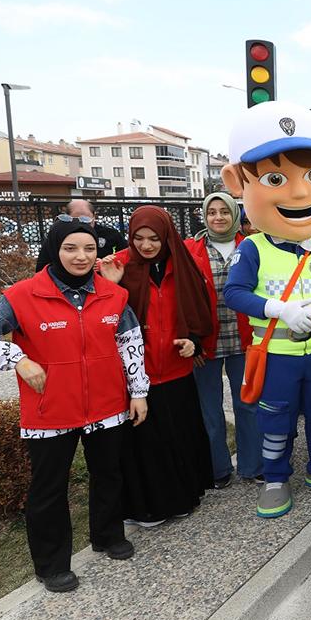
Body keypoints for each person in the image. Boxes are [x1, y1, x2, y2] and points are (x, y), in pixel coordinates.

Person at [0, 219, 148, 593]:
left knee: (109, 474)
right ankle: (52, 565)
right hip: (50, 411)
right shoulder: (22, 295)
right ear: (54, 250)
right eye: (70, 248)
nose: (81, 256)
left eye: (89, 249)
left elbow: (130, 343)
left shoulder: (113, 295)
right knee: (49, 488)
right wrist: (18, 359)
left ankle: (108, 535)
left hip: (107, 405)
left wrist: (138, 391)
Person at [220, 101, 311, 519]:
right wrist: (280, 309)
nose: (299, 193)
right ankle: (275, 478)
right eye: (275, 179)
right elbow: (234, 294)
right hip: (276, 353)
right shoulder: (253, 248)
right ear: (238, 182)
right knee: (276, 418)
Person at [100, 206, 215, 526]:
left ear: (167, 236)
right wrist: (113, 285)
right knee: (144, 444)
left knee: (178, 438)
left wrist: (194, 342)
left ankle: (183, 499)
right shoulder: (117, 265)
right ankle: (146, 508)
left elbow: (199, 310)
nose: (146, 245)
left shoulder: (182, 263)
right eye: (138, 238)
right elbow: (104, 319)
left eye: (154, 238)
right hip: (136, 373)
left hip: (176, 370)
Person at [186, 192, 260, 488]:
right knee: (210, 409)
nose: (218, 217)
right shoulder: (190, 249)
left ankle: (252, 465)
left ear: (234, 215)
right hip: (207, 342)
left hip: (244, 339)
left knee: (248, 404)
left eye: (224, 211)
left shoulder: (251, 245)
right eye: (212, 212)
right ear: (204, 216)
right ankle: (218, 468)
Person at [34, 199, 126, 269]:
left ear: (94, 216)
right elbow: (42, 266)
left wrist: (107, 263)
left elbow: (126, 255)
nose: (81, 223)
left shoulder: (110, 234)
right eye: (76, 219)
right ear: (67, 218)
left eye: (86, 219)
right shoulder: (57, 236)